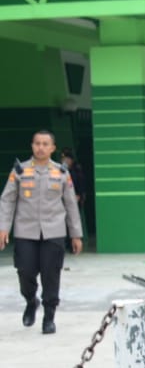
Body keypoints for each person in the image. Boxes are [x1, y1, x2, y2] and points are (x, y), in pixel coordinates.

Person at [0, 130, 84, 334]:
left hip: (53, 231)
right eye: (37, 143)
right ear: (32, 146)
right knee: (25, 271)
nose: (41, 147)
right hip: (25, 231)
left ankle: (49, 317)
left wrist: (76, 234)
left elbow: (71, 204)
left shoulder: (62, 173)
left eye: (45, 144)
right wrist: (3, 227)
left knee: (51, 274)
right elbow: (7, 199)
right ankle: (31, 300)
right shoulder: (19, 171)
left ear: (52, 148)